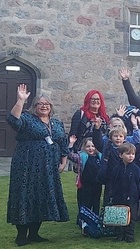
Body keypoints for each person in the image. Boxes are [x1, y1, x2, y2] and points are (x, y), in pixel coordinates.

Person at [7, 84, 69, 246]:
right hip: (27, 165)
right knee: (25, 195)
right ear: (34, 107)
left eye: (47, 104)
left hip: (48, 168)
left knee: (42, 196)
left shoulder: (56, 123)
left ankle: (34, 233)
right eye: (40, 104)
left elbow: (63, 142)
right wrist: (20, 101)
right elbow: (13, 120)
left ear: (51, 107)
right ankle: (21, 236)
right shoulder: (27, 119)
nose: (43, 106)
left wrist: (63, 161)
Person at [110, 143, 140, 243]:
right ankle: (119, 235)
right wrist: (111, 194)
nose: (131, 156)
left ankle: (129, 236)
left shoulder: (135, 169)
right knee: (119, 216)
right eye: (128, 154)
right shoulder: (117, 168)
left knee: (132, 217)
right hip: (118, 196)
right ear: (121, 155)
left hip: (133, 197)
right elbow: (112, 182)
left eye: (133, 154)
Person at [68, 137, 103, 220]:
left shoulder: (100, 156)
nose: (91, 148)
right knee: (85, 202)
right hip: (85, 185)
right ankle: (83, 219)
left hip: (97, 184)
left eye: (93, 146)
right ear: (84, 147)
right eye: (88, 146)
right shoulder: (81, 156)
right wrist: (71, 144)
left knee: (96, 202)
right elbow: (69, 155)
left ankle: (95, 219)